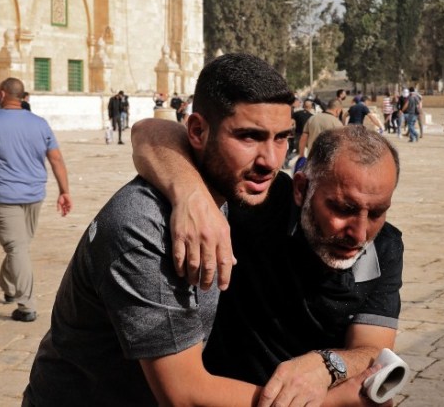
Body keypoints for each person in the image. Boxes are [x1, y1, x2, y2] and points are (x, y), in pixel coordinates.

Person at [24, 54, 380, 406]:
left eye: (281, 138)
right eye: (249, 137)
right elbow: (184, 394)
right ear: (196, 131)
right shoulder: (143, 227)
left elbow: (152, 130)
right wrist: (334, 402)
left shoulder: (229, 193)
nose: (270, 161)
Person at [131, 116, 401, 404]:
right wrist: (190, 195)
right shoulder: (261, 205)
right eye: (343, 209)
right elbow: (149, 132)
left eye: (376, 213)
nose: (360, 234)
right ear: (301, 189)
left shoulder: (384, 246)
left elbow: (373, 349)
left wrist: (326, 365)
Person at [0, 78, 72, 323]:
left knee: (17, 247)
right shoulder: (40, 123)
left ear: (2, 94)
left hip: (4, 195)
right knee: (18, 246)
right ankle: (9, 285)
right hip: (34, 194)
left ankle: (26, 305)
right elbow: (56, 159)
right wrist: (64, 191)